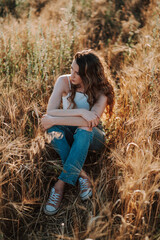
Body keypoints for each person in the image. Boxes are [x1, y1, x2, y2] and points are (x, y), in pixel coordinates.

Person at [41, 49, 114, 215]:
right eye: (71, 69)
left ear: (89, 76)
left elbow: (90, 122)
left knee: (83, 126)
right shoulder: (63, 81)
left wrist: (55, 119)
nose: (72, 75)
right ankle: (82, 175)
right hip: (72, 129)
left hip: (93, 138)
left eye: (77, 73)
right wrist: (81, 112)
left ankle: (59, 185)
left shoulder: (102, 91)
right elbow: (50, 112)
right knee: (51, 127)